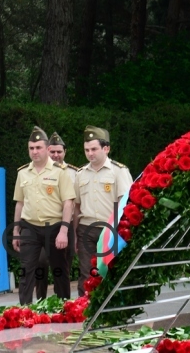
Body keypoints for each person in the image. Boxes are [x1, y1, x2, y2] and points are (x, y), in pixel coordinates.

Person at [12, 127, 75, 305]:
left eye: (38, 147)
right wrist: (16, 229)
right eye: (31, 148)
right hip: (29, 226)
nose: (34, 151)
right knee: (26, 270)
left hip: (54, 227)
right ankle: (25, 310)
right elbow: (19, 203)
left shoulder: (60, 172)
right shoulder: (23, 172)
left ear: (47, 149)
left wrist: (63, 231)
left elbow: (68, 203)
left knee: (59, 269)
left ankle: (64, 306)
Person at [73, 126, 132, 297]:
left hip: (110, 230)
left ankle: (109, 310)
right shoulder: (80, 174)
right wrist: (75, 234)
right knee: (86, 273)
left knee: (109, 273)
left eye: (94, 149)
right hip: (86, 228)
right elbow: (77, 206)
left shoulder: (119, 171)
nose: (90, 153)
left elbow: (126, 203)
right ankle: (83, 310)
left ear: (106, 149)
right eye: (86, 150)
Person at [36, 132, 80, 300]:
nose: (55, 155)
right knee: (40, 263)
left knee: (63, 267)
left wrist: (75, 232)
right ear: (47, 151)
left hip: (65, 225)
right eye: (52, 152)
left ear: (64, 152)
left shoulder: (75, 173)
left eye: (59, 152)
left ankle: (61, 302)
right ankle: (40, 300)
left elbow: (76, 206)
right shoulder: (37, 170)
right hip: (42, 226)